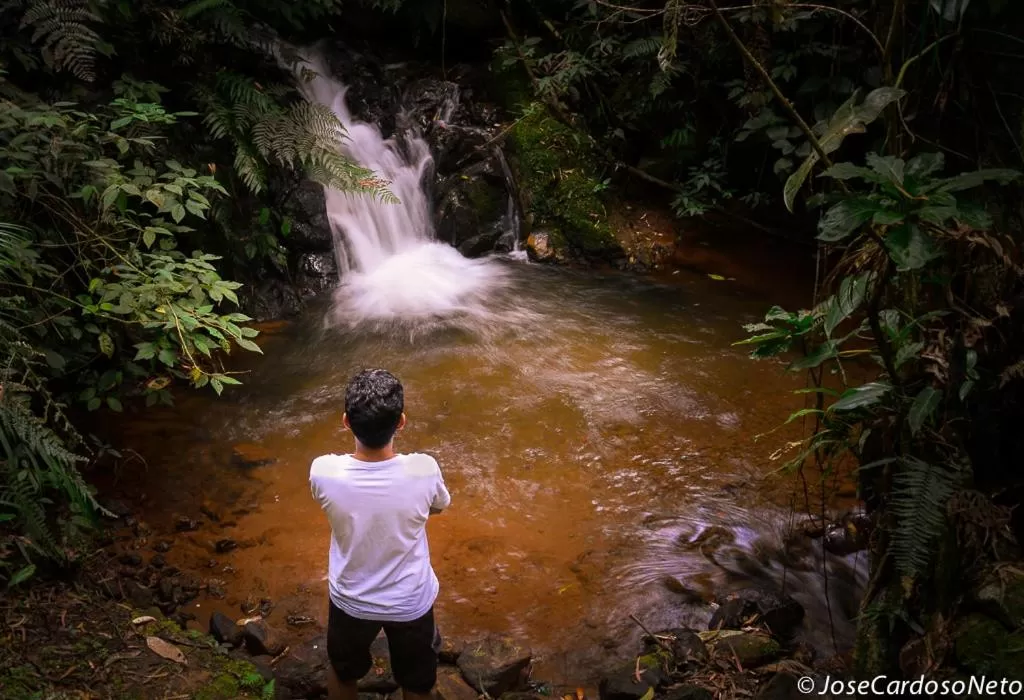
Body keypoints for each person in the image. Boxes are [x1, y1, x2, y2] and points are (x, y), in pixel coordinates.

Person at [310, 368, 451, 700]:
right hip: (410, 601)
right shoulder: (424, 469)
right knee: (417, 683)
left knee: (343, 673)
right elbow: (439, 506)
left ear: (346, 421)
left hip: (350, 599)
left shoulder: (323, 471)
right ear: (401, 421)